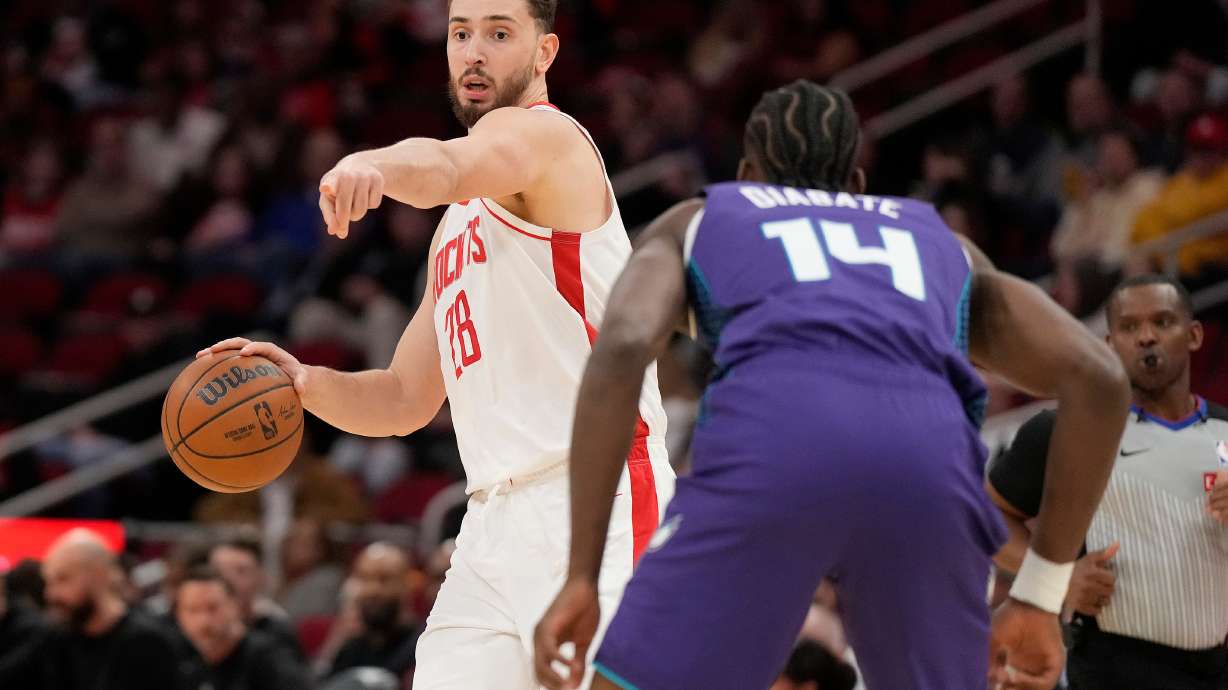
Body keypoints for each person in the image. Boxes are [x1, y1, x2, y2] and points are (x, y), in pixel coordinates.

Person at [533, 80, 1130, 690]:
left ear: (744, 176)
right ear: (859, 186)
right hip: (928, 475)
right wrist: (1039, 593)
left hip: (774, 455)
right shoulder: (944, 245)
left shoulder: (705, 217)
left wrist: (581, 573)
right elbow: (1102, 379)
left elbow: (626, 343)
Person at [199, 1, 674, 687]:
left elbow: (446, 163)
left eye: (499, 33)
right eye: (460, 33)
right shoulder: (457, 228)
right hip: (490, 519)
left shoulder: (545, 140)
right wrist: (303, 383)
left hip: (596, 497)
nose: (474, 51)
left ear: (545, 54)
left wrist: (375, 165)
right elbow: (401, 399)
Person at [988, 274, 1228, 690]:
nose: (1146, 337)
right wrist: (1057, 577)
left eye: (1163, 322)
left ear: (1193, 335)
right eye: (1129, 327)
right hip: (1114, 669)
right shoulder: (1065, 430)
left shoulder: (1225, 429)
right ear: (1109, 344)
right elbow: (985, 517)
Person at [38, 529, 184, 690]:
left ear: (97, 575)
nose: (51, 594)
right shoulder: (58, 642)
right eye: (49, 582)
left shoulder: (147, 642)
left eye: (63, 579)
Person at [176, 565, 311, 690]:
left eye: (213, 608)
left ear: (234, 606)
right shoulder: (186, 663)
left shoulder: (270, 659)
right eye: (192, 610)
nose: (203, 621)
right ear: (178, 615)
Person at [326, 543, 420, 685]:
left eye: (385, 579)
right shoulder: (351, 647)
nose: (373, 589)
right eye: (364, 579)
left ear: (405, 585)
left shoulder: (421, 645)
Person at [208, 538, 303, 660]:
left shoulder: (276, 625)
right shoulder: (186, 620)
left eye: (240, 571)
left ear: (261, 579)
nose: (228, 579)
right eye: (219, 571)